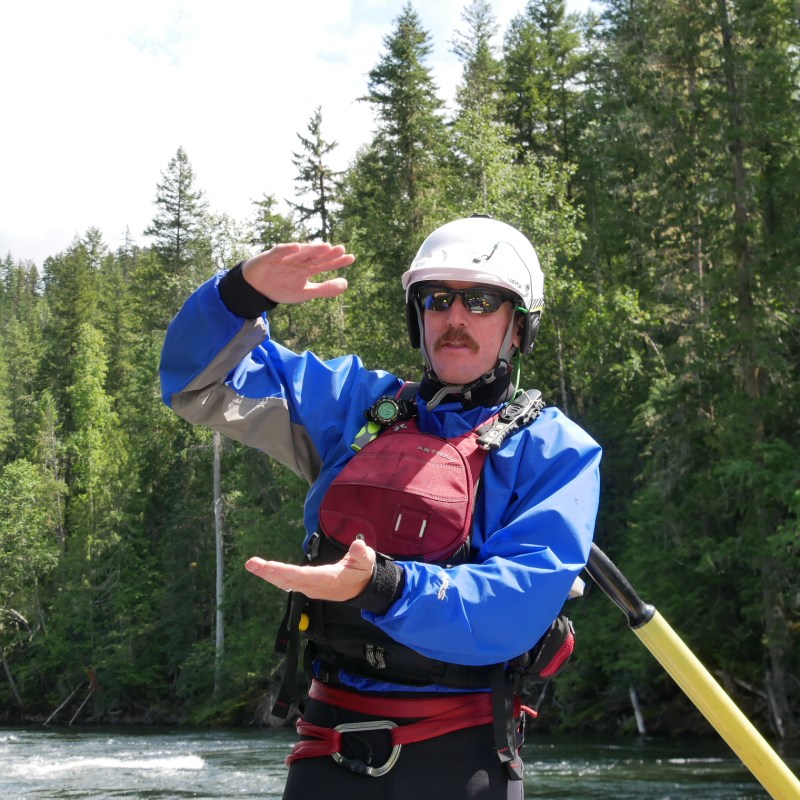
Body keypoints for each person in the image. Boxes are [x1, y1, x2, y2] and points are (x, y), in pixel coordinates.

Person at [159, 215, 602, 799]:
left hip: (460, 760)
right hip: (327, 749)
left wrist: (385, 586)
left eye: (483, 302)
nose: (456, 318)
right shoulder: (355, 407)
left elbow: (516, 606)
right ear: (418, 317)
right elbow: (197, 383)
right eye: (438, 300)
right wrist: (241, 292)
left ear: (518, 328)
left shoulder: (553, 449)